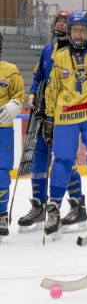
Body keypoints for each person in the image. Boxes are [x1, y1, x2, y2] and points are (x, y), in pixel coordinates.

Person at [42, 10, 87, 240]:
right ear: (70, 31)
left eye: (83, 29)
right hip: (65, 117)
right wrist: (49, 118)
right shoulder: (60, 57)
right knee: (62, 161)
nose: (79, 33)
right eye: (75, 29)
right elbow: (52, 89)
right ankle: (53, 209)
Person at [17, 11, 84, 233]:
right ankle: (39, 207)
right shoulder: (47, 50)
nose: (61, 24)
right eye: (59, 21)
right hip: (44, 114)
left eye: (66, 21)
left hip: (66, 116)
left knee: (64, 161)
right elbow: (39, 77)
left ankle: (77, 207)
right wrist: (33, 95)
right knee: (39, 160)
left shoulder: (77, 52)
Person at [0, 35, 24, 241]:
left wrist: (15, 104)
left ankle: (1, 216)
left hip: (3, 129)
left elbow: (20, 95)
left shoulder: (10, 69)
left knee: (1, 175)